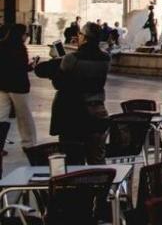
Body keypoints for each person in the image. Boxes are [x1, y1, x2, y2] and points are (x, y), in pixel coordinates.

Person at [34, 22, 110, 163]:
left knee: (73, 157)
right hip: (97, 111)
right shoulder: (106, 58)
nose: (77, 36)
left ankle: (76, 184)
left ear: (85, 37)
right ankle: (99, 183)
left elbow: (59, 82)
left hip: (72, 113)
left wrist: (58, 61)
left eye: (80, 34)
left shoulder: (72, 59)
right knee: (96, 157)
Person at [0, 25, 39, 147]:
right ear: (20, 35)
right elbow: (21, 67)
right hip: (18, 86)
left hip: (2, 85)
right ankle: (29, 143)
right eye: (25, 34)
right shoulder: (20, 48)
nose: (27, 36)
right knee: (24, 115)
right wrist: (32, 65)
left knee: (1, 116)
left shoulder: (1, 45)